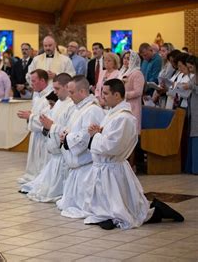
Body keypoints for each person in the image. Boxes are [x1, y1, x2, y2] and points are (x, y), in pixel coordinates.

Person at [83, 79, 184, 230]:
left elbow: (113, 146)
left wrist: (96, 135)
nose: (102, 96)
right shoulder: (112, 112)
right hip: (106, 167)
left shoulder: (124, 118)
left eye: (105, 93)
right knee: (110, 203)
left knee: (124, 208)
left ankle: (157, 211)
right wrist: (99, 131)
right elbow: (109, 136)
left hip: (113, 166)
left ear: (117, 95)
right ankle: (108, 215)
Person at [20, 73, 75, 202]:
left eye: (57, 89)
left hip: (62, 152)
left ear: (67, 87)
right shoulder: (59, 103)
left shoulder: (71, 105)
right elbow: (47, 118)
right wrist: (43, 123)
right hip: (52, 147)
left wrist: (49, 125)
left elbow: (66, 127)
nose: (54, 92)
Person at [57, 76, 105, 218]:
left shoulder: (92, 110)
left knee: (82, 206)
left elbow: (86, 135)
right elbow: (73, 128)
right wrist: (64, 134)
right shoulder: (80, 108)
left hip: (87, 165)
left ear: (83, 91)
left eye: (71, 92)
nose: (69, 96)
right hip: (77, 167)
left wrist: (67, 138)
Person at [16, 69, 53, 184]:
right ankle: (32, 175)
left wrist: (30, 116)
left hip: (43, 134)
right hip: (36, 133)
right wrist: (31, 114)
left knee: (41, 158)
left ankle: (39, 177)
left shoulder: (50, 96)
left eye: (34, 81)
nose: (31, 84)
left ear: (42, 80)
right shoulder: (37, 95)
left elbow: (47, 118)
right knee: (34, 157)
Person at [118, 51, 144, 133]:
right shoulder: (122, 72)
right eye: (124, 58)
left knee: (131, 130)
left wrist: (123, 95)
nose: (125, 61)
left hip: (132, 105)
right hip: (121, 104)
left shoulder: (137, 73)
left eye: (128, 59)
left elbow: (138, 92)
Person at [185, 55, 198, 174]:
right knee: (193, 135)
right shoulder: (193, 77)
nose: (190, 70)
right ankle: (192, 167)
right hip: (193, 108)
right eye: (188, 68)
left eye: (191, 67)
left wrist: (191, 87)